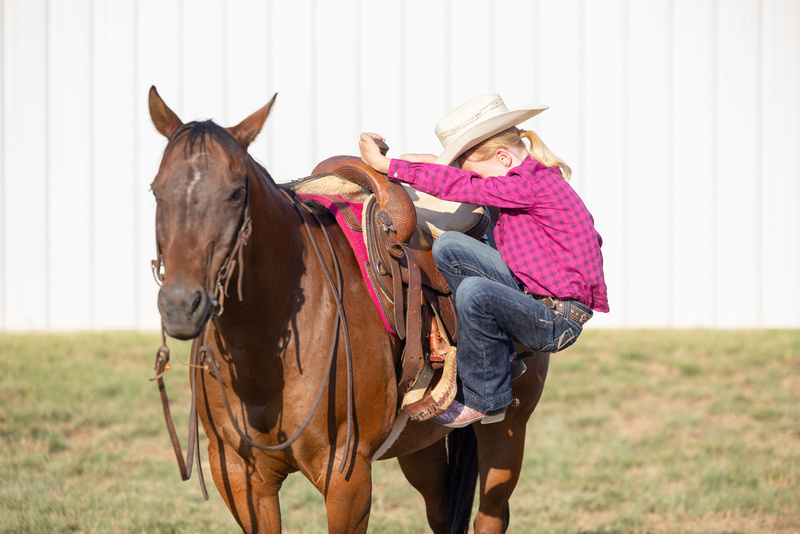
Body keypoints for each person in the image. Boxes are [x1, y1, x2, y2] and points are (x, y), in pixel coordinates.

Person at [359, 93, 608, 428]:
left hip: (555, 318)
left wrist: (387, 168)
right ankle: (499, 351)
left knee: (475, 291)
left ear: (504, 158)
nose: (475, 185)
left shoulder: (531, 185)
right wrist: (395, 161)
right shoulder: (525, 180)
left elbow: (461, 184)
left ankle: (486, 397)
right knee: (449, 246)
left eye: (475, 174)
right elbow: (448, 173)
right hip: (532, 297)